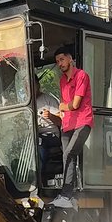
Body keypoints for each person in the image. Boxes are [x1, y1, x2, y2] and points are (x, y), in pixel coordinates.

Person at [42, 45, 92, 209]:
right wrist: (61, 110)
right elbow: (66, 106)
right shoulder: (62, 80)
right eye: (57, 62)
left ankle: (66, 194)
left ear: (70, 59)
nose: (60, 64)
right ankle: (68, 194)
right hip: (67, 124)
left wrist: (63, 107)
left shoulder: (82, 76)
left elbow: (75, 104)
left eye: (62, 60)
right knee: (67, 156)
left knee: (69, 154)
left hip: (82, 122)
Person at [35, 85, 61, 186]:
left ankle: (39, 180)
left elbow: (61, 121)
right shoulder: (25, 103)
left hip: (51, 135)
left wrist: (50, 116)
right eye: (25, 85)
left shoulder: (48, 100)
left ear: (37, 85)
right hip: (33, 134)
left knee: (39, 143)